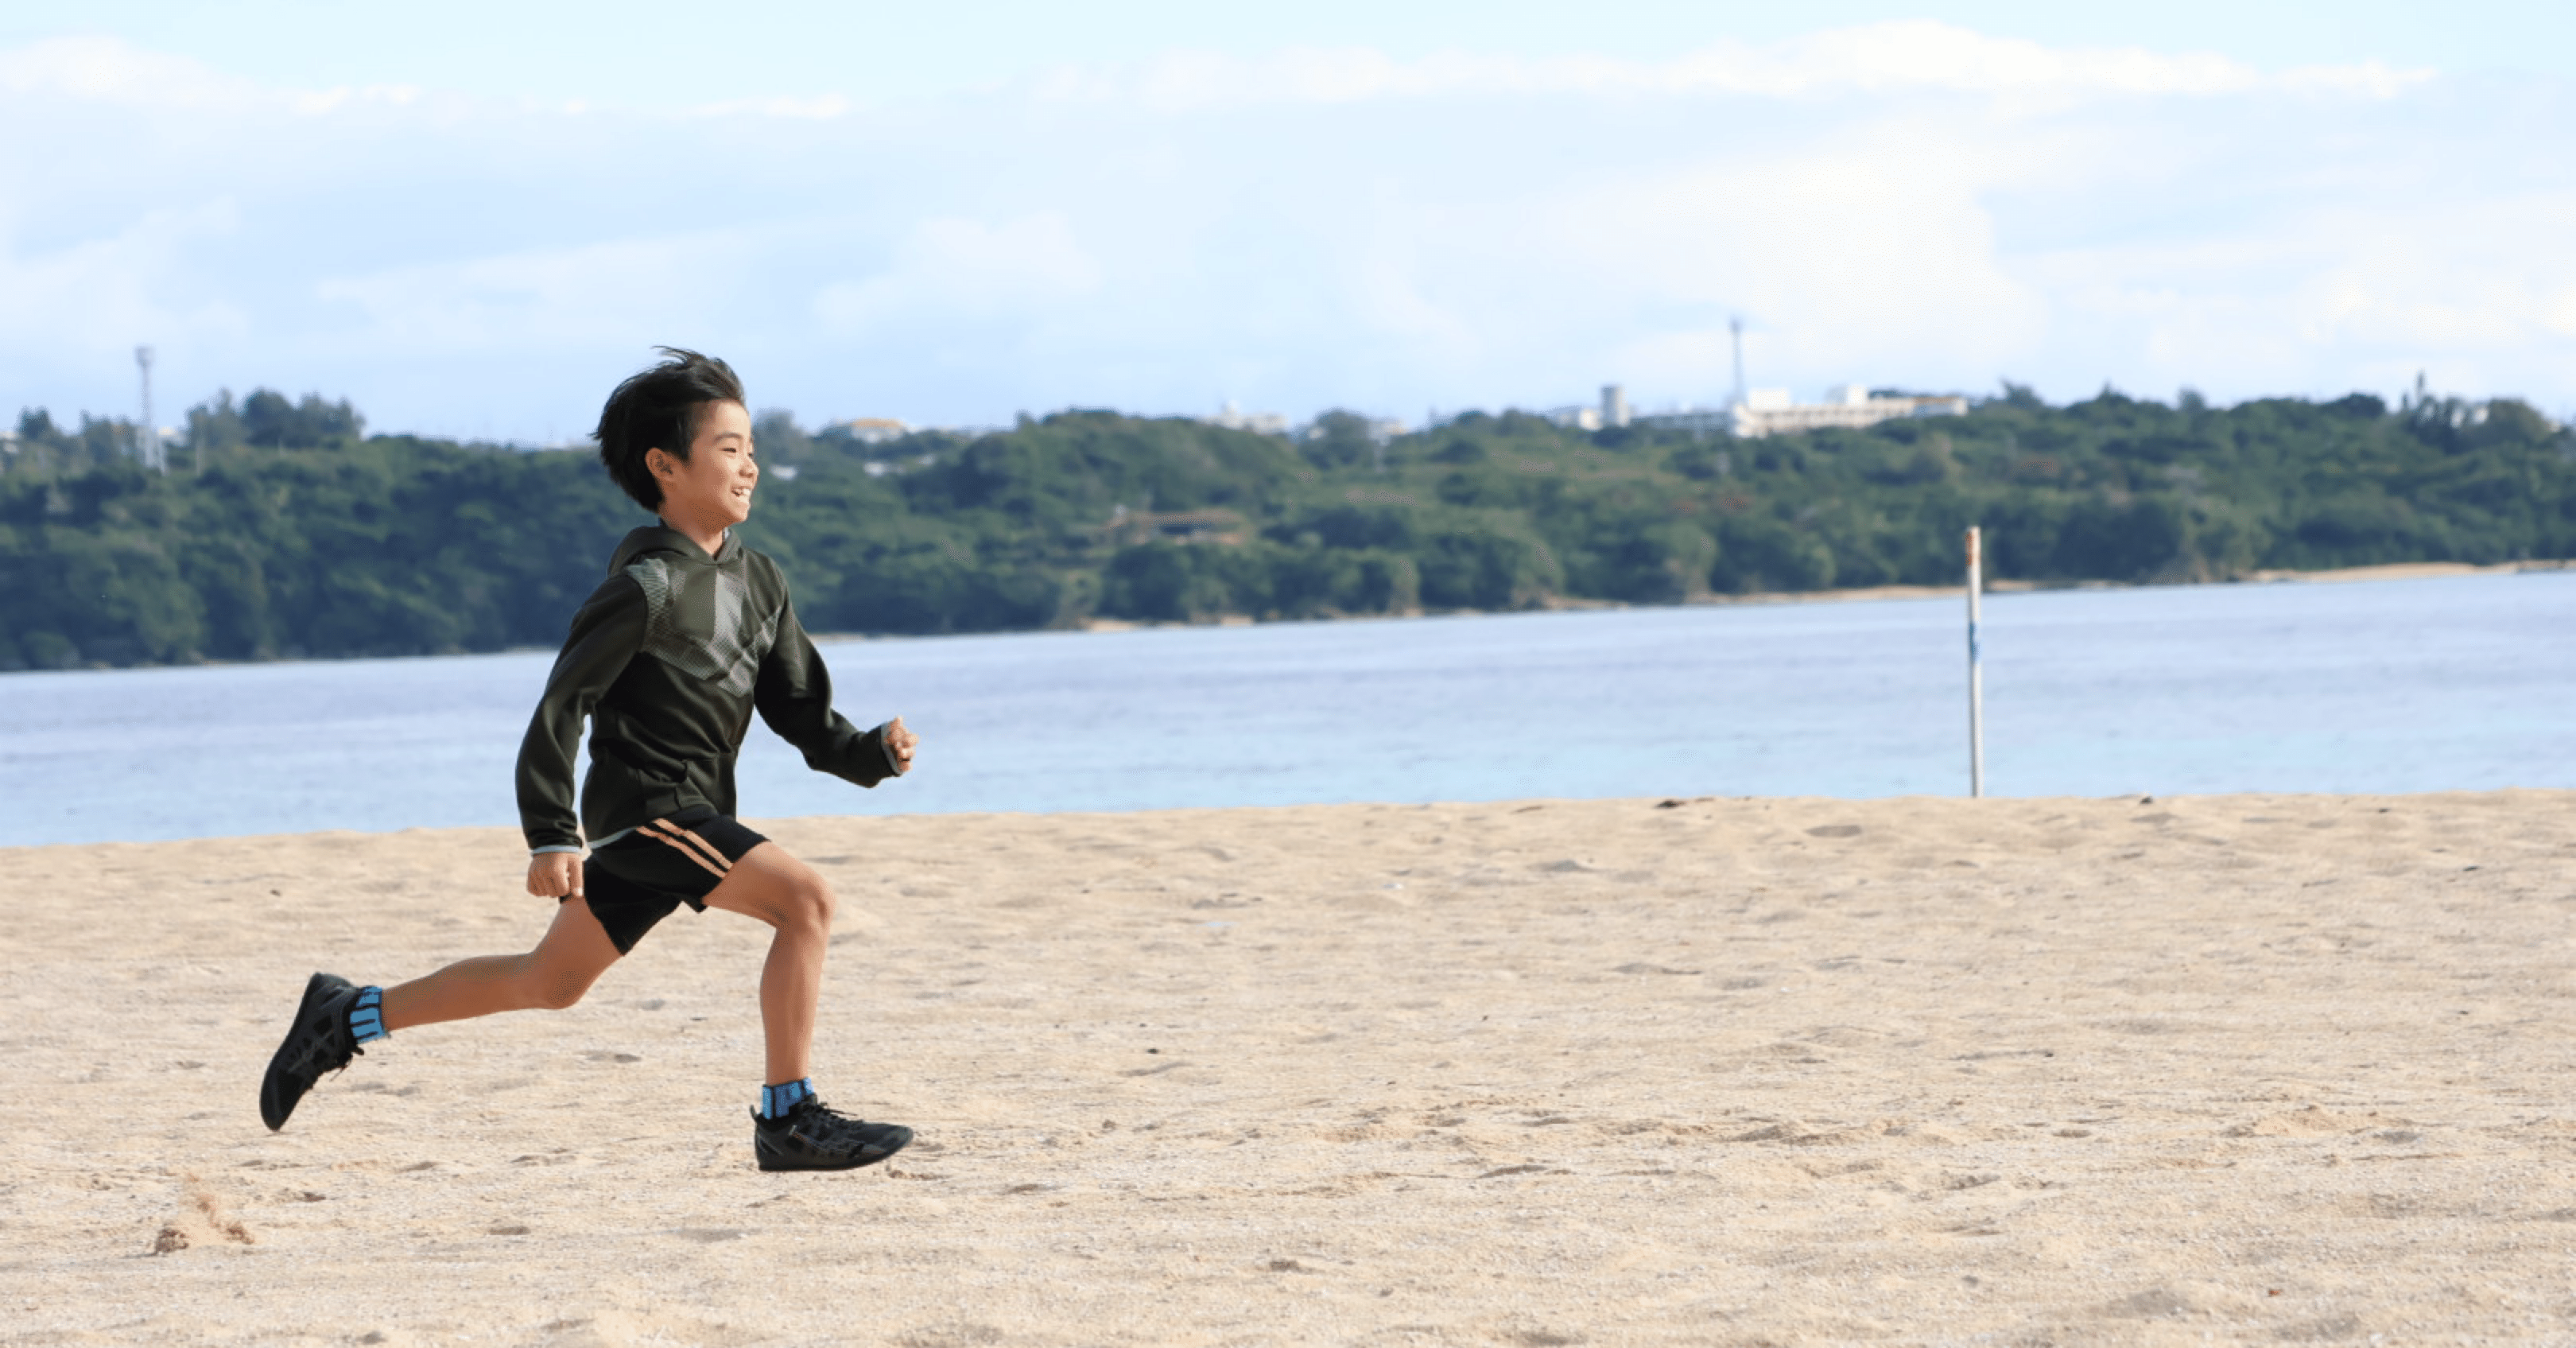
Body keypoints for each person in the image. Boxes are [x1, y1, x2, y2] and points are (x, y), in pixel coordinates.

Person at [258, 348, 918, 1172]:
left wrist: (870, 755)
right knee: (806, 902)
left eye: (752, 448)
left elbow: (799, 710)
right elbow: (560, 708)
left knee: (550, 982)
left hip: (688, 819)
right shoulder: (643, 587)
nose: (750, 465)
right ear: (665, 466)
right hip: (655, 813)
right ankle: (789, 1117)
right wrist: (550, 834)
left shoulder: (761, 582)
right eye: (728, 448)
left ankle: (347, 1016)